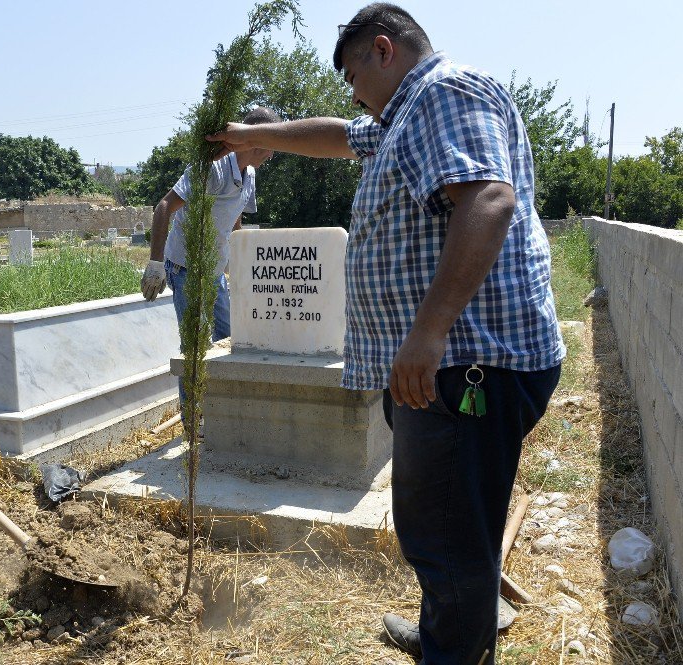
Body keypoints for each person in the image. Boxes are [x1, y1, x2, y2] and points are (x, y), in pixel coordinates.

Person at [207, 4, 565, 663]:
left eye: (351, 75)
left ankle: (451, 649)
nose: (352, 94)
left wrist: (427, 336)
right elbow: (336, 136)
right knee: (444, 523)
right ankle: (446, 632)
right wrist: (246, 135)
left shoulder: (442, 92)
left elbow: (488, 199)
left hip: (465, 361)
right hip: (446, 363)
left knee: (448, 535)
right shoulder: (401, 117)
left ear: (382, 49)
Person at [141, 106, 280, 425]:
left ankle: (222, 411)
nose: (273, 154)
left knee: (228, 336)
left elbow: (235, 217)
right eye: (273, 144)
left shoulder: (250, 175)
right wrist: (155, 263)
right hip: (184, 265)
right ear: (258, 141)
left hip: (214, 268)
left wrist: (239, 262)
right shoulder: (212, 169)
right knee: (195, 342)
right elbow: (163, 207)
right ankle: (194, 419)